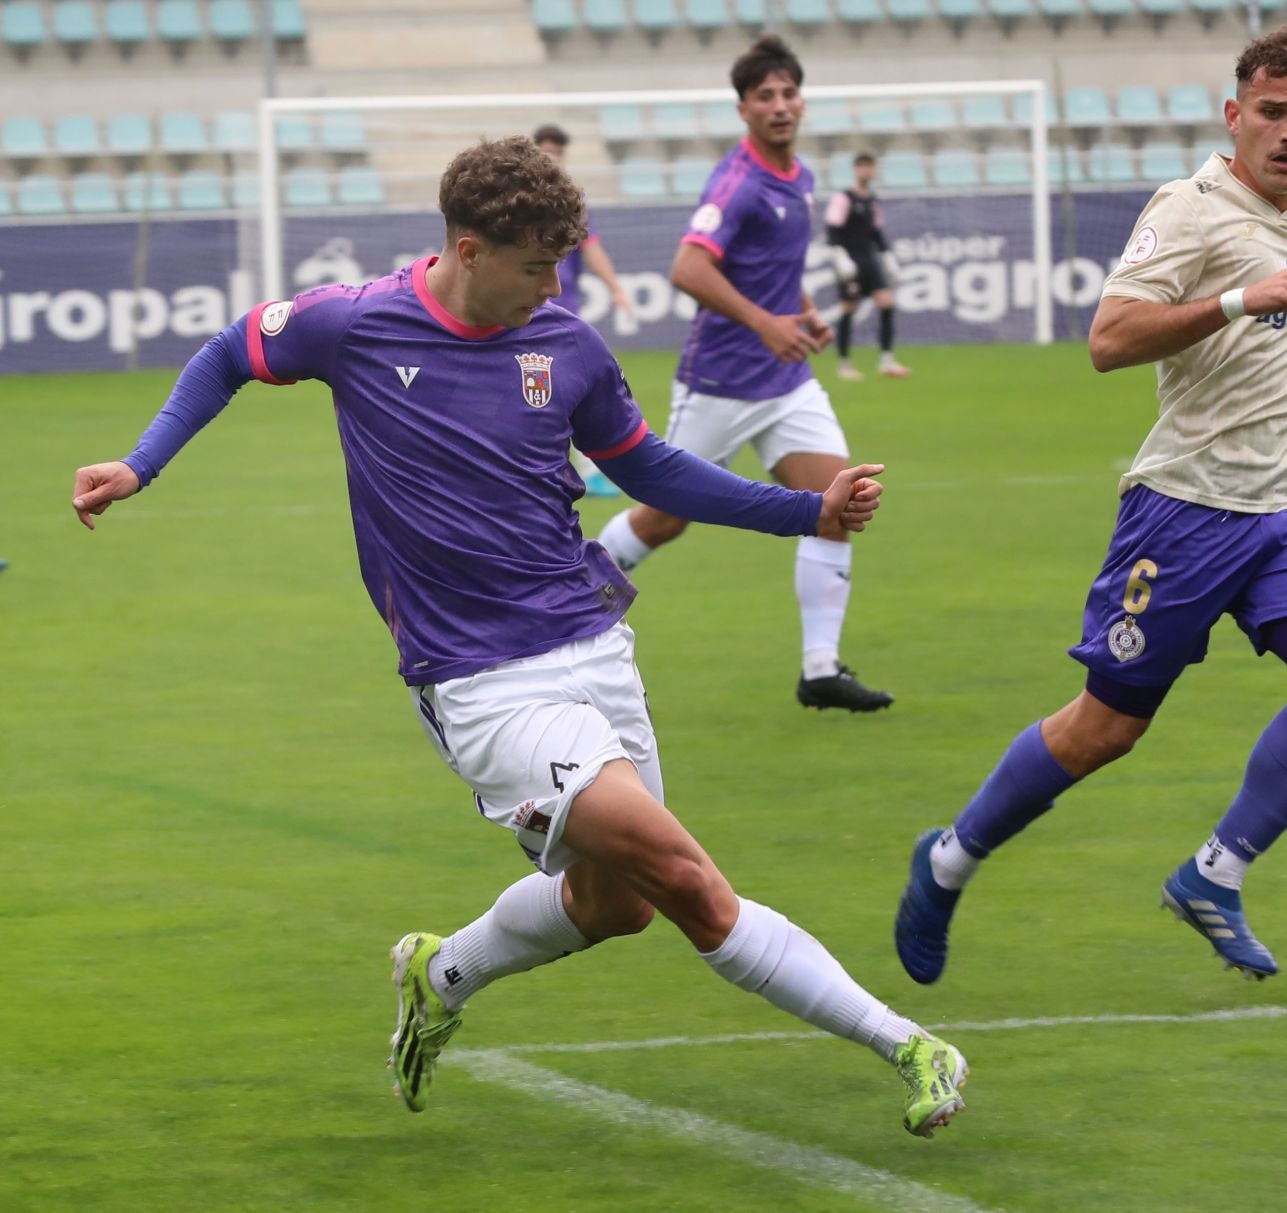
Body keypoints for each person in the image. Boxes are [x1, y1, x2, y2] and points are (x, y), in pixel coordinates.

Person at [71, 136, 968, 1137]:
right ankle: (912, 1047)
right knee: (684, 881)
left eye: (563, 264)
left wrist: (808, 513)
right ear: (468, 248)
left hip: (591, 646)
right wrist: (140, 465)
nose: (553, 287)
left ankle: (439, 971)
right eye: (537, 267)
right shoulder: (358, 325)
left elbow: (654, 472)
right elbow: (230, 351)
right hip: (480, 683)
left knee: (619, 902)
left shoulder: (570, 350)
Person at [893, 28, 1287, 984]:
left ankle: (1214, 876)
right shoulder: (1191, 208)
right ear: (1234, 114)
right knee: (1106, 729)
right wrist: (1236, 303)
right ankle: (948, 860)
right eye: (1274, 112)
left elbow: (1266, 337)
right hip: (1184, 514)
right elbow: (1110, 338)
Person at [595, 36, 894, 713]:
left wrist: (805, 315)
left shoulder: (802, 178)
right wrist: (767, 325)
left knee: (836, 504)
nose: (780, 106)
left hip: (786, 384)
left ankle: (820, 669)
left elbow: (776, 274)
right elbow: (688, 268)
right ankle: (571, 600)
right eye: (766, 96)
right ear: (744, 109)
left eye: (789, 93)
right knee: (663, 520)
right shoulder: (737, 185)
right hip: (721, 384)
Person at [534, 122, 635, 499]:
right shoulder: (516, 201)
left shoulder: (569, 204)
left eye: (557, 153)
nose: (551, 158)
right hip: (521, 313)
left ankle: (585, 470)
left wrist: (615, 287)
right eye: (545, 151)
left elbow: (590, 249)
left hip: (561, 313)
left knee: (570, 389)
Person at [825, 152, 910, 381]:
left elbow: (877, 233)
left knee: (886, 302)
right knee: (848, 309)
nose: (867, 171)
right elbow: (832, 230)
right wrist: (840, 257)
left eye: (870, 167)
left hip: (869, 259)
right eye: (863, 167)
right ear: (856, 169)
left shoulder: (873, 200)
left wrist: (889, 259)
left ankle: (887, 360)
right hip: (850, 261)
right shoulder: (844, 198)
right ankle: (844, 365)